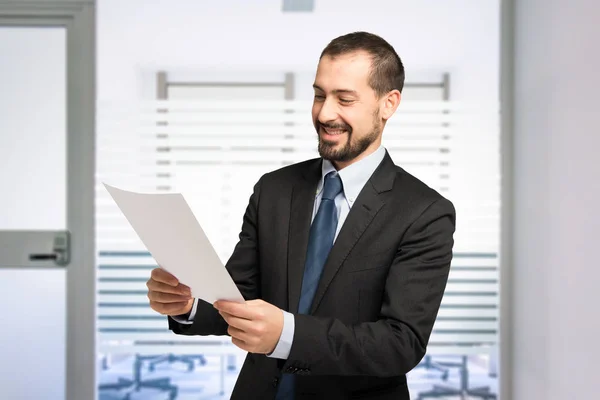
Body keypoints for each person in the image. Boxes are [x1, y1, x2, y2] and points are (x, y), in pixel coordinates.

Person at [146, 31, 455, 400]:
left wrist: (287, 336)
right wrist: (188, 305)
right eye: (319, 94)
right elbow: (240, 296)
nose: (325, 113)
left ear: (388, 103)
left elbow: (400, 343)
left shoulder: (424, 212)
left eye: (345, 98)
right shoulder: (273, 190)